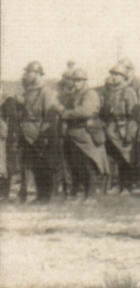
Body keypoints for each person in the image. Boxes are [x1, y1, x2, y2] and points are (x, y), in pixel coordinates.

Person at [58, 66, 107, 199]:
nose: (76, 83)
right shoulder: (74, 94)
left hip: (86, 133)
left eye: (79, 80)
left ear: (85, 81)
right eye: (74, 81)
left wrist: (66, 113)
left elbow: (86, 111)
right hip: (74, 133)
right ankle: (79, 192)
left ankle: (91, 194)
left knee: (88, 164)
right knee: (75, 164)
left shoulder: (90, 94)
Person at [13, 61, 59, 202]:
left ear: (38, 74)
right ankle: (39, 195)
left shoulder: (45, 91)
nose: (26, 74)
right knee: (33, 165)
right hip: (27, 133)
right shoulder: (29, 90)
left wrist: (44, 135)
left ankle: (45, 196)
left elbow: (50, 115)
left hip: (40, 133)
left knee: (44, 165)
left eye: (29, 72)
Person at [100, 62, 140, 193]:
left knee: (126, 157)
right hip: (112, 127)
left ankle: (127, 186)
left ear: (124, 77)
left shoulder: (128, 91)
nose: (114, 77)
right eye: (113, 74)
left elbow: (134, 115)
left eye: (117, 75)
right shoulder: (111, 91)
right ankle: (117, 184)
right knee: (116, 157)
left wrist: (130, 132)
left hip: (124, 127)